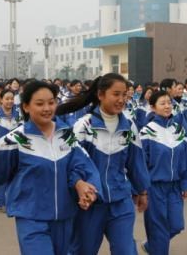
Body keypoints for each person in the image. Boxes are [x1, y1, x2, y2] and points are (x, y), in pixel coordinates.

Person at [0, 81, 101, 255]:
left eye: (51, 102)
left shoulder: (66, 136)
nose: (47, 108)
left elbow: (85, 165)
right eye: (39, 104)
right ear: (26, 107)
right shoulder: (15, 140)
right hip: (30, 216)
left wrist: (88, 187)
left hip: (63, 216)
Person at [62, 73, 150, 255]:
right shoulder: (84, 126)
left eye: (124, 95)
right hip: (90, 205)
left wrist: (142, 190)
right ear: (101, 95)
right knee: (82, 251)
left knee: (126, 251)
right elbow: (71, 165)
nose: (121, 99)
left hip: (120, 201)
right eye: (116, 94)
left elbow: (136, 162)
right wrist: (78, 186)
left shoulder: (129, 126)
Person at [140, 90, 187, 254]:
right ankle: (157, 248)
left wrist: (186, 183)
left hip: (175, 187)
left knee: (176, 225)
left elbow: (186, 159)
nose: (167, 106)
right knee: (158, 229)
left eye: (169, 103)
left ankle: (151, 246)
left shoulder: (178, 130)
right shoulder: (147, 132)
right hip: (154, 187)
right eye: (162, 103)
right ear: (153, 107)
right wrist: (141, 190)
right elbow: (141, 164)